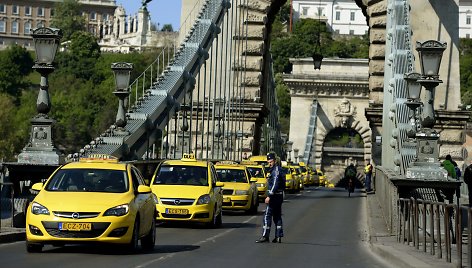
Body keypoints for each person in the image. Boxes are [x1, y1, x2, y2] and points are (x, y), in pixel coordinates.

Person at [256, 152, 285, 243]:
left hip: (274, 196)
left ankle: (265, 236)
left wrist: (269, 195)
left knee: (267, 215)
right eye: (268, 162)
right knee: (277, 216)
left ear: (275, 161)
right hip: (279, 196)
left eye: (271, 161)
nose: (269, 163)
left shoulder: (276, 170)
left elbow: (275, 183)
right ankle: (278, 236)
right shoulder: (276, 169)